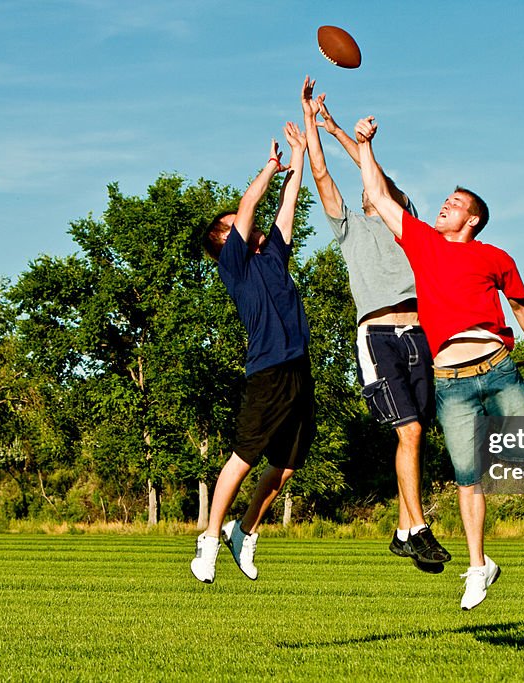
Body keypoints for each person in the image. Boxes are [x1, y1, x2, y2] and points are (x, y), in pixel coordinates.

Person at [353, 115, 524, 610]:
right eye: (446, 201)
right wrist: (365, 146)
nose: (444, 206)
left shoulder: (494, 256)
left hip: (497, 367)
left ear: (472, 219)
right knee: (466, 477)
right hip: (450, 380)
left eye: (454, 204)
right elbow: (378, 194)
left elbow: (522, 304)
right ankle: (478, 567)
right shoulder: (422, 243)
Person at [299, 77, 450, 571]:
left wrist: (355, 139)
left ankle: (403, 530)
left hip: (420, 337)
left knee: (417, 435)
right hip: (378, 335)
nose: (373, 192)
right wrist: (317, 122)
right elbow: (322, 173)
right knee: (408, 433)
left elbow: (374, 173)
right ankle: (419, 528)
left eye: (380, 189)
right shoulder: (350, 226)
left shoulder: (412, 232)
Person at [190, 122, 314, 584]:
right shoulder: (234, 264)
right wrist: (269, 167)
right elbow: (248, 206)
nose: (245, 225)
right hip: (268, 371)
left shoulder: (272, 255)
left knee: (285, 468)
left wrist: (298, 157)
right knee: (243, 458)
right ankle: (207, 541)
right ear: (224, 239)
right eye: (232, 227)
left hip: (299, 370)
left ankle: (243, 532)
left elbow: (287, 205)